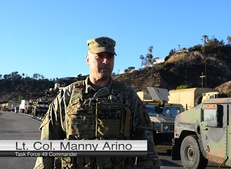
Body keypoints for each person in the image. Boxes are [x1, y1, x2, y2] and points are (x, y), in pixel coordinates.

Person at [33, 36, 161, 169]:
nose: (105, 61)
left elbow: (146, 147)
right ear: (88, 59)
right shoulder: (68, 96)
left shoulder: (127, 96)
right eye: (99, 56)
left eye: (110, 57)